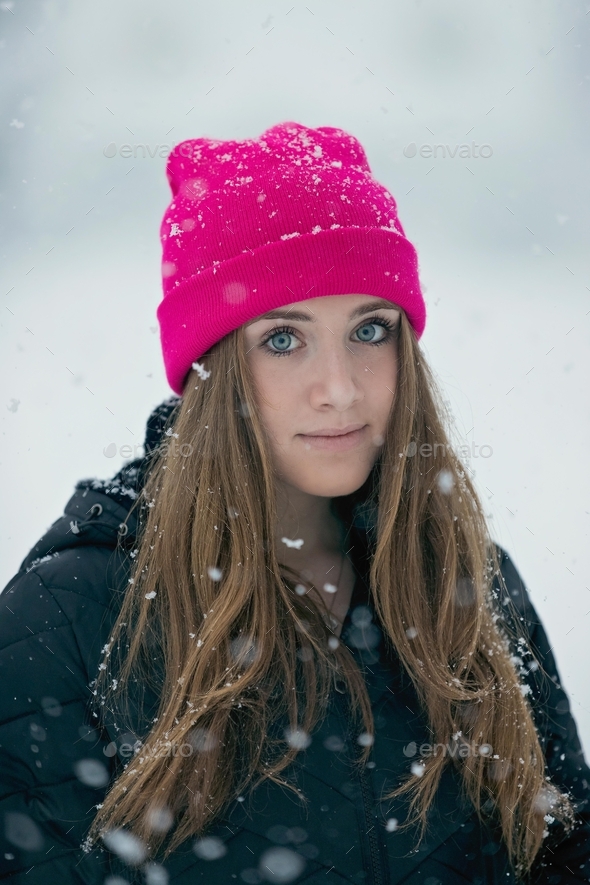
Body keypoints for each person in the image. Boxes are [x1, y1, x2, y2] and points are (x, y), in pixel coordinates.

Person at [1, 122, 589, 885]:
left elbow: (561, 845)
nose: (340, 387)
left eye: (369, 330)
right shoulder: (69, 620)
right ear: (212, 369)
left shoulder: (465, 580)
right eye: (284, 339)